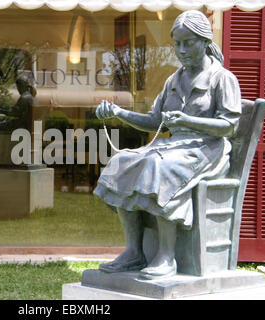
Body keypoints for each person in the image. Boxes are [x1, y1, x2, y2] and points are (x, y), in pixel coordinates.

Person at [93, 10, 242, 279]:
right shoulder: (174, 80)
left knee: (157, 167)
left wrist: (189, 121)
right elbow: (153, 121)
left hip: (209, 150)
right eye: (177, 44)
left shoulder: (223, 79)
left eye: (189, 43)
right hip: (176, 148)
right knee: (121, 162)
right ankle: (134, 252)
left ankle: (166, 256)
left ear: (205, 42)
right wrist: (119, 113)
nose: (181, 50)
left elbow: (229, 126)